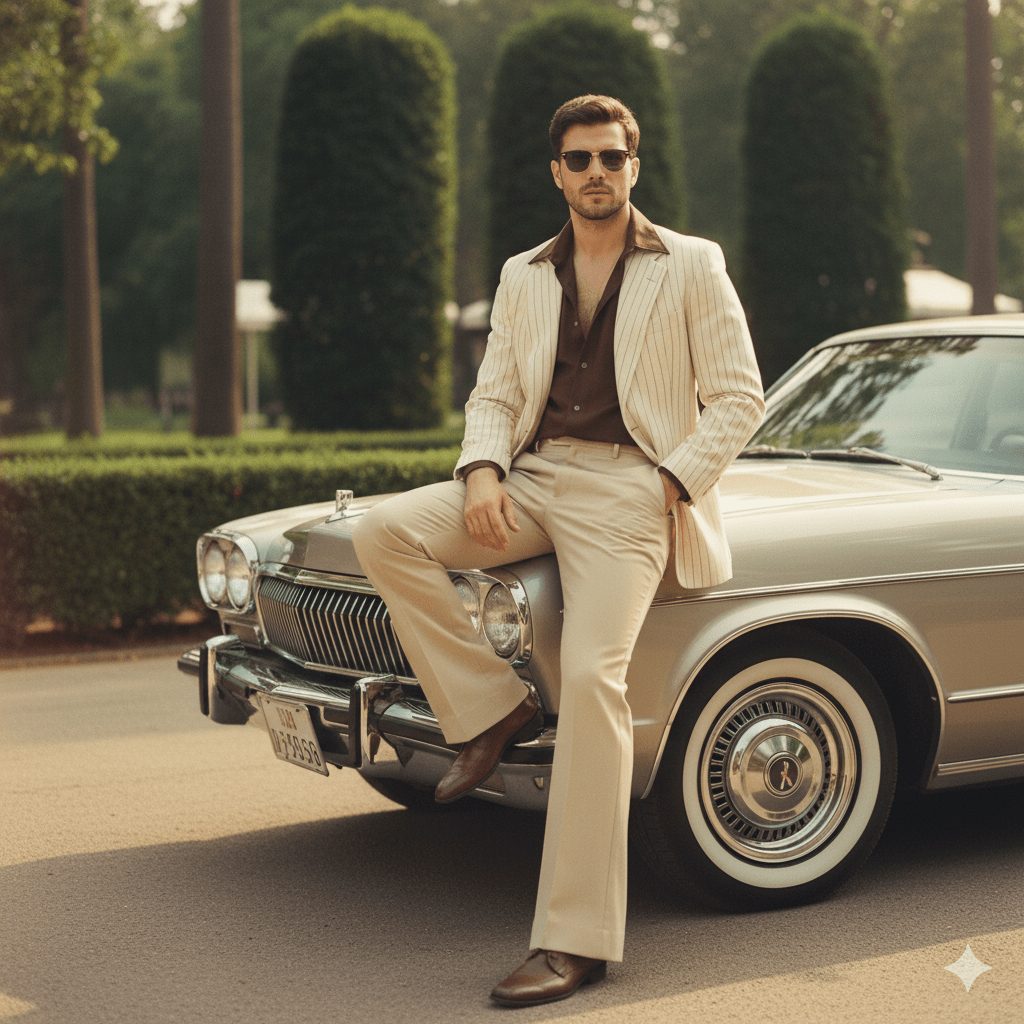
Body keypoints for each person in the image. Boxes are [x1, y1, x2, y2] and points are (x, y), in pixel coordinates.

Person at [351, 93, 765, 1008]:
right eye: (578, 160)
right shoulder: (522, 275)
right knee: (381, 530)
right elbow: (496, 390)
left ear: (634, 166)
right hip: (533, 478)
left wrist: (667, 485)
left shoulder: (691, 263)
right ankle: (491, 709)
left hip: (632, 489)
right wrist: (484, 471)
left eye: (611, 158)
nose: (595, 174)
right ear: (556, 172)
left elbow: (739, 398)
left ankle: (575, 940)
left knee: (590, 685)